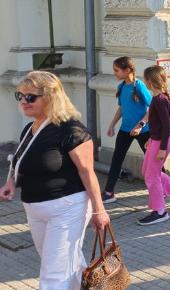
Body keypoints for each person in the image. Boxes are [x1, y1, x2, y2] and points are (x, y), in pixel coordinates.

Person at [0, 71, 110, 289]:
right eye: (19, 96)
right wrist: (11, 182)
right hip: (35, 209)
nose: (23, 101)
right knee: (68, 265)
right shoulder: (31, 128)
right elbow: (20, 161)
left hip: (67, 208)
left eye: (30, 97)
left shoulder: (72, 130)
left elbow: (87, 172)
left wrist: (99, 210)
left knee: (53, 275)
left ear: (50, 97)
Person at [138, 66, 170, 225]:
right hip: (157, 140)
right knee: (147, 171)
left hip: (163, 141)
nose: (143, 81)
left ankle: (160, 211)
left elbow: (167, 125)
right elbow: (158, 124)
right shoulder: (157, 98)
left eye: (145, 79)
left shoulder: (160, 100)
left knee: (151, 176)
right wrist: (151, 139)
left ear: (150, 82)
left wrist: (162, 148)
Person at [103, 56, 153, 203]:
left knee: (152, 161)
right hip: (125, 130)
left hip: (143, 131)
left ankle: (166, 187)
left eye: (117, 70)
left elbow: (152, 108)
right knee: (116, 159)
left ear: (128, 70)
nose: (114, 73)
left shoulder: (139, 86)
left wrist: (140, 126)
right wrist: (112, 124)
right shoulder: (121, 87)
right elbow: (122, 108)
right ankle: (109, 192)